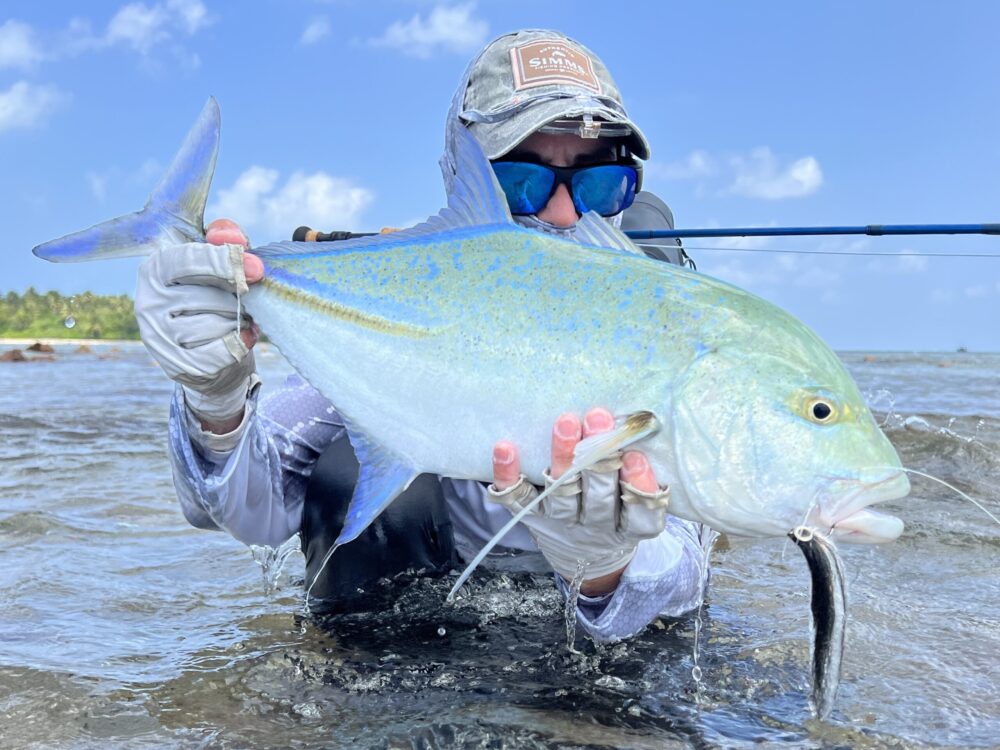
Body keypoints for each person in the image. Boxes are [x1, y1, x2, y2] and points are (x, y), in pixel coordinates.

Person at [136, 29, 715, 642]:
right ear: (464, 182)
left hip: (602, 686)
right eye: (523, 180)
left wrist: (610, 566)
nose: (565, 215)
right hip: (414, 661)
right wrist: (215, 402)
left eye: (600, 182)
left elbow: (690, 563)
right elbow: (241, 505)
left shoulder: (671, 335)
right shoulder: (400, 321)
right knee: (344, 468)